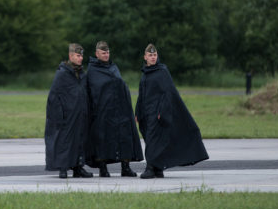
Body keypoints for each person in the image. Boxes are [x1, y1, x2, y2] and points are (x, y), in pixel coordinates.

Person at [135, 44, 209, 179]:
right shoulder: (145, 73)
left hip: (157, 113)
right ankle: (158, 168)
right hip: (146, 113)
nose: (153, 57)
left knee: (153, 140)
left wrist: (162, 112)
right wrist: (137, 112)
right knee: (150, 139)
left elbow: (168, 93)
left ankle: (150, 168)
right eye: (150, 55)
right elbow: (142, 94)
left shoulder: (162, 72)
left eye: (155, 55)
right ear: (145, 57)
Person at [86, 41, 144, 177]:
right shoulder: (93, 70)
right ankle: (103, 169)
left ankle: (126, 168)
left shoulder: (113, 67)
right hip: (102, 112)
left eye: (107, 52)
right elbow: (92, 92)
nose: (106, 55)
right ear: (97, 54)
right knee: (103, 139)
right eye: (103, 53)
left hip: (120, 110)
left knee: (124, 137)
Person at [44, 43, 94, 179]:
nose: (80, 58)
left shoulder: (81, 74)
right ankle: (63, 168)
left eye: (81, 56)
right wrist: (59, 116)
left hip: (80, 115)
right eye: (78, 56)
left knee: (80, 141)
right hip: (67, 116)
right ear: (70, 56)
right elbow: (54, 97)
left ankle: (78, 167)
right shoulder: (62, 74)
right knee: (64, 141)